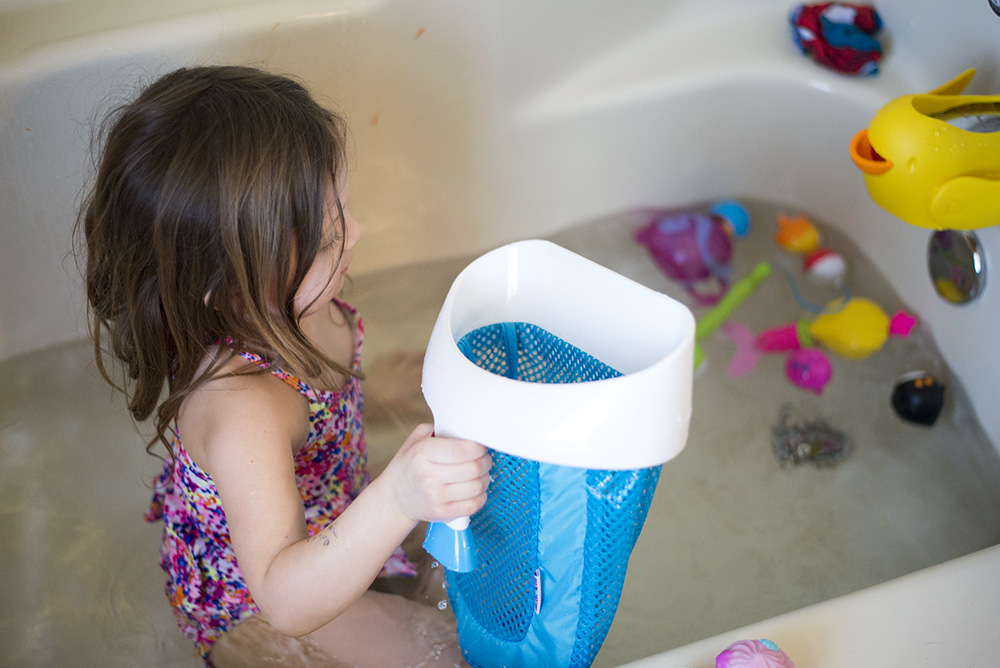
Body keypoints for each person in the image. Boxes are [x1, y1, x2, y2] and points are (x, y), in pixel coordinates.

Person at [76, 65, 491, 667]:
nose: (357, 233)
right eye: (327, 238)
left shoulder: (297, 303)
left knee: (481, 529)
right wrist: (400, 497)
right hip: (258, 599)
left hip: (323, 509)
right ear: (230, 289)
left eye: (343, 208)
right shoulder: (242, 406)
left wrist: (370, 401)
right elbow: (287, 600)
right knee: (450, 657)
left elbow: (312, 419)